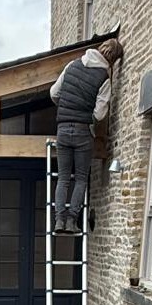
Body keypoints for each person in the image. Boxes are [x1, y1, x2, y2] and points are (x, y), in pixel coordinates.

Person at [49, 37, 123, 232]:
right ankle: (72, 221)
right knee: (81, 178)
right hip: (83, 132)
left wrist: (67, 107)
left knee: (63, 178)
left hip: (63, 129)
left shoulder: (72, 66)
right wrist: (85, 111)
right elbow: (99, 114)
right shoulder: (104, 78)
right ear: (112, 60)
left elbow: (54, 93)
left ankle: (58, 221)